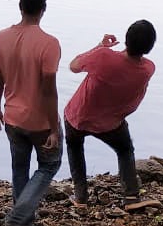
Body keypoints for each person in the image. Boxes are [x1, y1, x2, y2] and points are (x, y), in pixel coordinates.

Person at [0, 0, 62, 226]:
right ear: (43, 7)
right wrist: (54, 127)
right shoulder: (49, 43)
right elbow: (48, 90)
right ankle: (19, 221)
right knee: (49, 165)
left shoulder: (1, 37)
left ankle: (23, 222)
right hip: (39, 120)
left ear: (20, 5)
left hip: (12, 116)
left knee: (19, 168)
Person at [63, 19, 156, 206]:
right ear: (149, 47)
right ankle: (131, 195)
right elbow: (126, 69)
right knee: (125, 149)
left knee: (74, 147)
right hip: (111, 123)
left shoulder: (104, 56)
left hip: (78, 116)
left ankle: (80, 196)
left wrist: (100, 46)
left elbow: (73, 66)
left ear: (126, 40)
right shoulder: (147, 69)